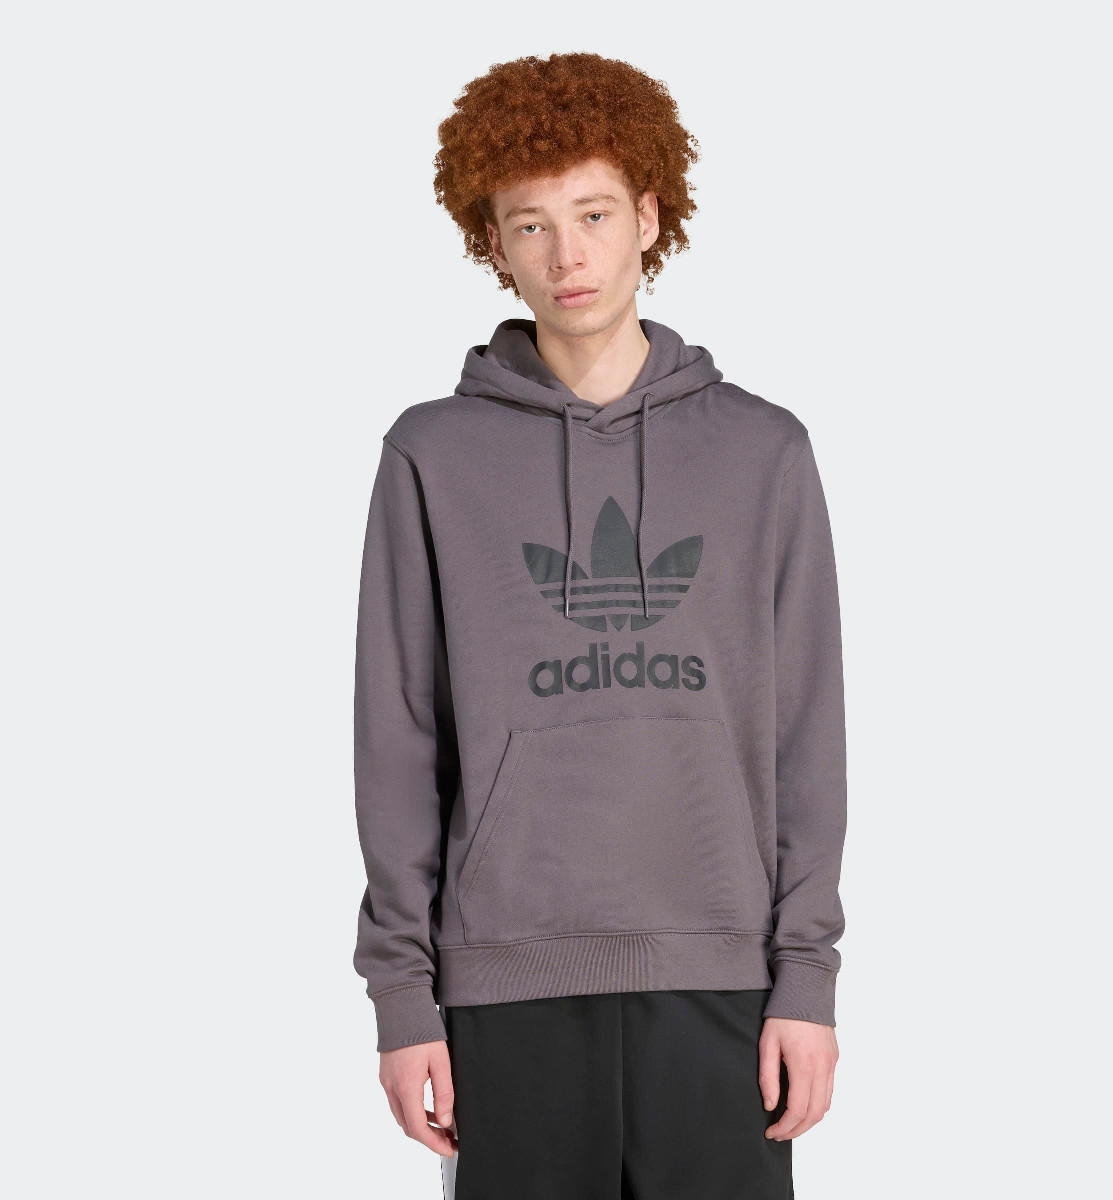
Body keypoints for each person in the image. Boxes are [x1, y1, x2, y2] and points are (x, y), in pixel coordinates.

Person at [352, 51, 848, 1199]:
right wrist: (403, 999)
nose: (566, 256)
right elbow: (398, 741)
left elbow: (807, 739)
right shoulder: (432, 457)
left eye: (593, 214)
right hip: (504, 987)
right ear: (493, 242)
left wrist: (808, 980)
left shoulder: (763, 452)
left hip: (723, 984)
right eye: (530, 225)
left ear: (650, 218)